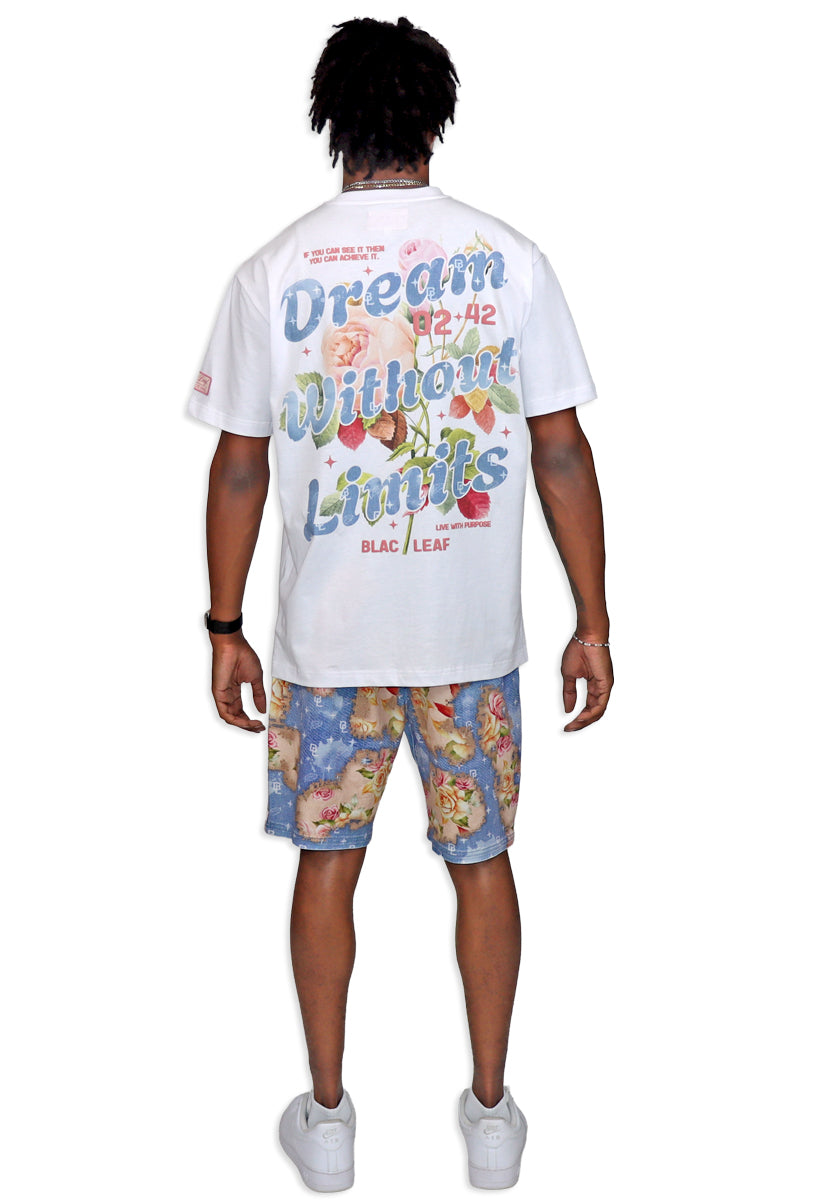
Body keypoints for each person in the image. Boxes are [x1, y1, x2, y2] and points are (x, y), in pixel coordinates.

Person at [187, 16, 612, 1191]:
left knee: (327, 864)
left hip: (327, 647)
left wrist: (223, 627)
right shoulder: (511, 258)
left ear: (331, 120)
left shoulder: (274, 271)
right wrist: (593, 617)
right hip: (469, 640)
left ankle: (327, 1120)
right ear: (437, 118)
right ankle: (492, 1114)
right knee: (483, 862)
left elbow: (238, 468)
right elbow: (561, 452)